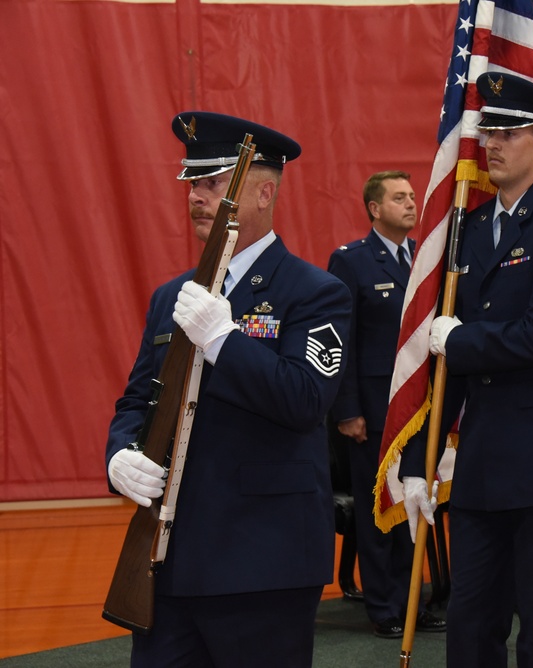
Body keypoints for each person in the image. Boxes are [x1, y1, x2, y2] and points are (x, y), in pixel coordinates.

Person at [105, 111, 352, 668]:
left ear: (263, 193)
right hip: (172, 552)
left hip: (264, 558)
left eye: (213, 181)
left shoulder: (317, 293)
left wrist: (224, 339)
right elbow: (139, 400)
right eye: (193, 182)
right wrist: (119, 453)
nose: (196, 194)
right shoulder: (174, 294)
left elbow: (305, 400)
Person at [400, 72, 533, 668]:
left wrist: (461, 342)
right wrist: (419, 459)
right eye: (488, 129)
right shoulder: (472, 227)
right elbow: (448, 366)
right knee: (471, 623)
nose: (492, 142)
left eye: (509, 132)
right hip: (484, 458)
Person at [326, 171, 446, 638]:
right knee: (380, 512)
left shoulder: (425, 258)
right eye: (399, 198)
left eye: (413, 196)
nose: (412, 204)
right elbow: (343, 342)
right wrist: (347, 409)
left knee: (414, 507)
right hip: (373, 410)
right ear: (374, 209)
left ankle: (412, 600)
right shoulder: (351, 262)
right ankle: (384, 607)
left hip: (420, 409)